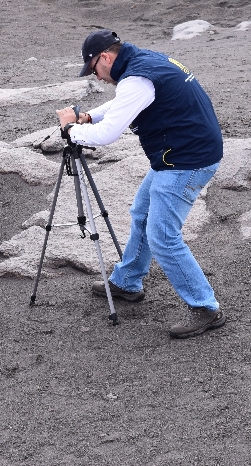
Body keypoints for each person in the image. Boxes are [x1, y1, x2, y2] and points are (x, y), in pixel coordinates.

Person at [56, 29, 225, 339]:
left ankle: (205, 308)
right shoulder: (146, 61)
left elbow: (108, 135)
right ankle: (127, 281)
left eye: (94, 69)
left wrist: (71, 130)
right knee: (142, 214)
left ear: (105, 58)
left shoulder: (136, 78)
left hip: (187, 160)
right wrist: (90, 117)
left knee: (162, 236)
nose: (96, 78)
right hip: (184, 153)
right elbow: (126, 103)